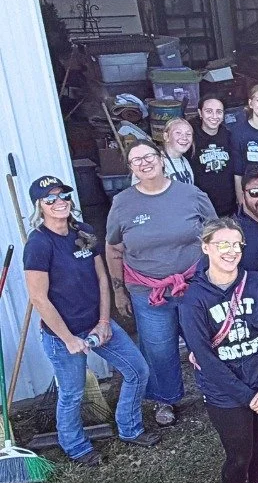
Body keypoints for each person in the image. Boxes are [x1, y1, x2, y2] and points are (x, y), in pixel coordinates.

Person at [23, 174, 159, 465]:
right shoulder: (39, 244)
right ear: (40, 205)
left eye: (63, 196)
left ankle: (130, 428)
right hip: (63, 335)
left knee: (138, 370)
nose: (59, 202)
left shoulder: (83, 231)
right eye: (50, 198)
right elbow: (39, 298)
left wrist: (105, 321)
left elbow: (101, 278)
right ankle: (76, 447)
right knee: (72, 393)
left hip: (96, 323)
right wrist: (68, 339)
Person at [105, 141, 216, 426]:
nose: (144, 163)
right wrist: (119, 291)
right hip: (147, 291)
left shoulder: (191, 195)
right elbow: (114, 248)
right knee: (158, 347)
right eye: (135, 160)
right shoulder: (122, 204)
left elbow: (216, 234)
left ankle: (215, 390)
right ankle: (165, 398)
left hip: (194, 286)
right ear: (130, 168)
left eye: (149, 156)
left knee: (205, 339)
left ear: (162, 159)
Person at [178, 218, 258, 483]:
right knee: (239, 453)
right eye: (223, 244)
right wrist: (249, 397)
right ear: (206, 247)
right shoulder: (194, 299)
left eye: (236, 244)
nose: (231, 250)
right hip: (225, 392)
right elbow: (205, 358)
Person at [192, 97, 234, 216]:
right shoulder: (192, 137)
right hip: (201, 206)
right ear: (200, 113)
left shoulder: (228, 135)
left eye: (219, 112)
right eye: (209, 111)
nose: (214, 116)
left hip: (228, 205)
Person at [149, 117, 194, 185]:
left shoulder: (185, 161)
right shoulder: (153, 162)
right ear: (166, 136)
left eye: (188, 134)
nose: (184, 138)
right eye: (178, 133)